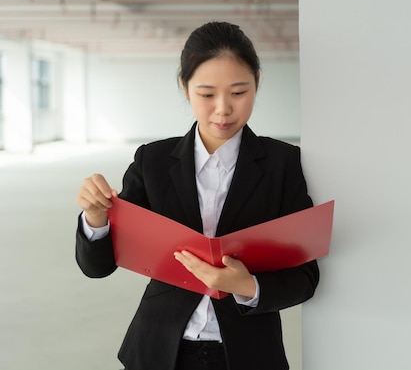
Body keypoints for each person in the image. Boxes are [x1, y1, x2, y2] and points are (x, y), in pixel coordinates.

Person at [75, 21, 319, 370]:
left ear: (258, 83)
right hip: (158, 350)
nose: (223, 109)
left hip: (248, 353)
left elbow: (305, 276)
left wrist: (247, 285)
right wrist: (96, 218)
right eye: (206, 94)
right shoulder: (153, 161)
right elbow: (97, 267)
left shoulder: (283, 163)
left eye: (238, 92)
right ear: (184, 87)